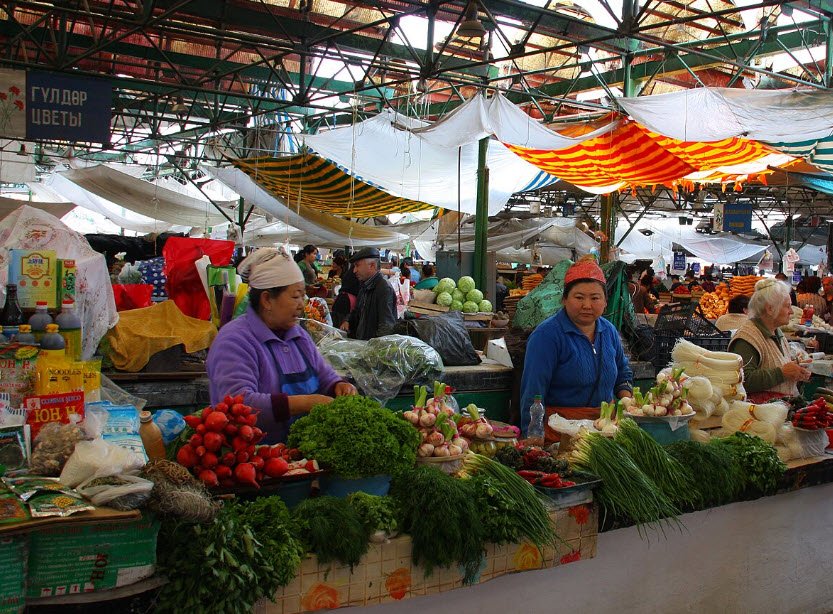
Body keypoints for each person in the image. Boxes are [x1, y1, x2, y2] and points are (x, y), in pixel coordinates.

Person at [207, 249, 357, 444]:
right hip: (255, 462)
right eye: (295, 297)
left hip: (301, 457)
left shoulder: (299, 336)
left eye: (303, 297)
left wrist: (339, 385)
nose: (302, 305)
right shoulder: (234, 340)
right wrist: (306, 402)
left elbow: (324, 375)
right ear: (267, 299)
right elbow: (239, 404)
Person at [519, 257, 633, 441]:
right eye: (579, 297)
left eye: (595, 298)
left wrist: (627, 400)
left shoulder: (609, 331)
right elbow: (533, 392)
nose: (587, 305)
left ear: (605, 301)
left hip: (604, 430)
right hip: (559, 433)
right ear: (564, 299)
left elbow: (623, 372)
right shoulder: (547, 335)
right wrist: (532, 435)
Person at [727, 279, 811, 403]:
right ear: (770, 309)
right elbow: (742, 380)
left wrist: (795, 371)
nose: (791, 311)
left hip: (778, 410)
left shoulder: (776, 332)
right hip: (757, 414)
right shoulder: (747, 338)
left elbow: (772, 365)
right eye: (787, 306)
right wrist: (782, 373)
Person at [341, 247, 397, 340]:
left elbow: (386, 326)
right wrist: (347, 320)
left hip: (371, 347)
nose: (354, 270)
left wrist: (374, 349)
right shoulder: (365, 286)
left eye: (357, 265)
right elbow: (356, 311)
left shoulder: (384, 288)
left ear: (372, 266)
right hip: (362, 343)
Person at [330, 257, 360, 328]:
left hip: (342, 299)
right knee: (341, 327)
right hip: (346, 302)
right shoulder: (355, 273)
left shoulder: (348, 272)